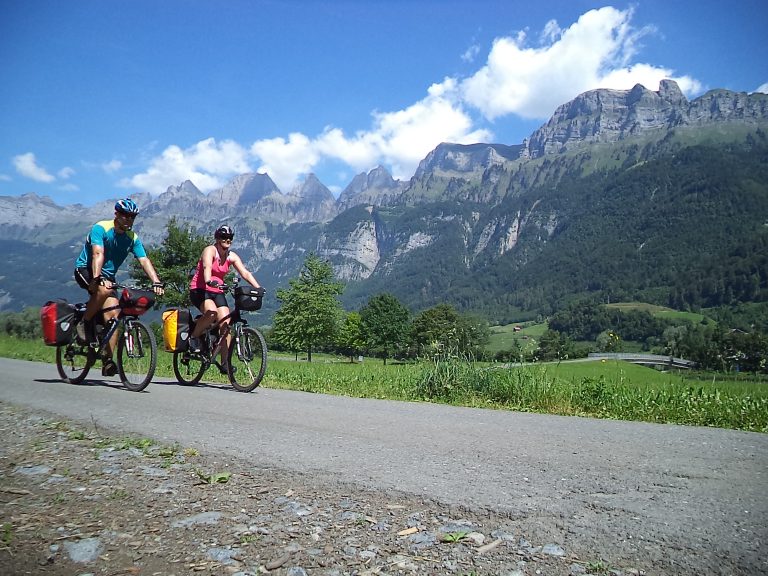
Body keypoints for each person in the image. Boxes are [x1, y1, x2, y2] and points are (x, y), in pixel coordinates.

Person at [74, 198, 165, 376]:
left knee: (114, 317)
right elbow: (98, 254)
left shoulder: (132, 238)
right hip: (86, 270)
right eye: (125, 215)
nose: (129, 219)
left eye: (132, 217)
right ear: (116, 214)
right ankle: (84, 322)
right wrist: (97, 278)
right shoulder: (101, 228)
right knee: (103, 289)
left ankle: (107, 360)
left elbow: (144, 260)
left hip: (108, 278)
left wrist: (156, 281)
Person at [188, 225, 262, 368]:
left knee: (226, 324)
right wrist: (208, 280)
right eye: (223, 237)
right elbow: (207, 267)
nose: (227, 240)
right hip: (200, 289)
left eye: (230, 237)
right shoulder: (210, 250)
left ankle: (225, 363)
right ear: (217, 238)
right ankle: (194, 337)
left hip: (217, 291)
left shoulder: (231, 256)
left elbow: (245, 273)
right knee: (211, 313)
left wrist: (258, 288)